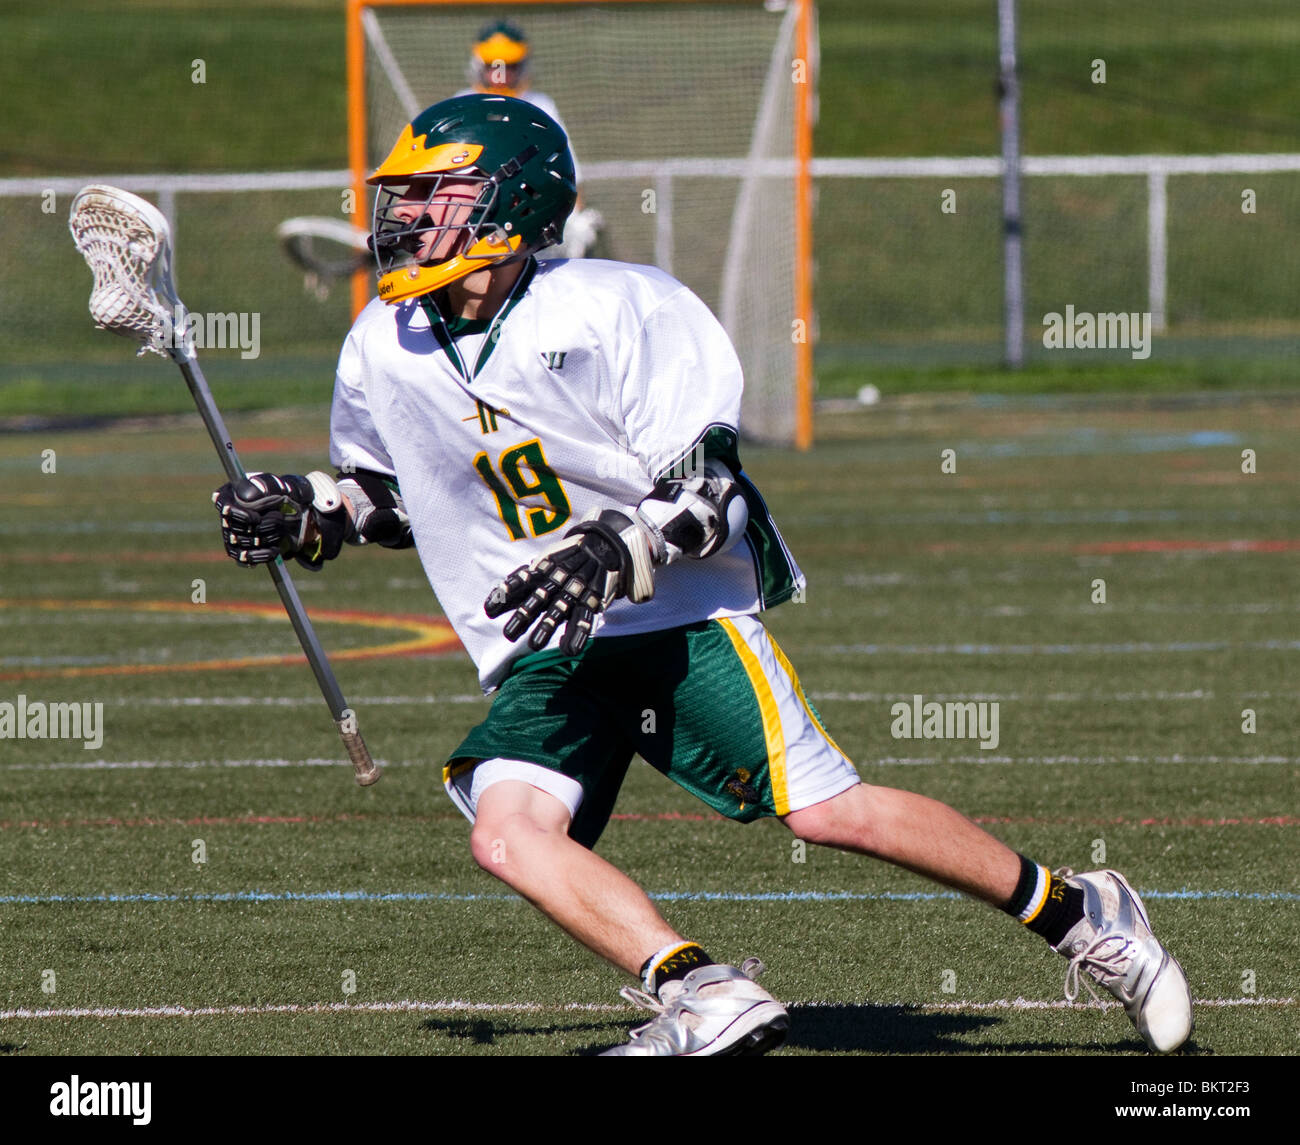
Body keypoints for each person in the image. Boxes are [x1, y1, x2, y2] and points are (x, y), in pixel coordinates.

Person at [212, 93, 1193, 1056]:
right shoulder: (385, 342)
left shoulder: (616, 305)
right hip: (547, 647)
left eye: (441, 193)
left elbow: (705, 489)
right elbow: (393, 498)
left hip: (676, 617)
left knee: (827, 811)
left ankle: (1081, 912)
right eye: (408, 197)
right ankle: (702, 991)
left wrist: (609, 548)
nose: (410, 216)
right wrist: (310, 511)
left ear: (515, 202)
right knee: (504, 834)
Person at [460, 20, 600, 259]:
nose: (500, 74)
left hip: (528, 216)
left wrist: (574, 217)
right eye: (494, 66)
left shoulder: (540, 105)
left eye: (509, 66)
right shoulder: (461, 104)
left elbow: (567, 170)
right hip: (473, 214)